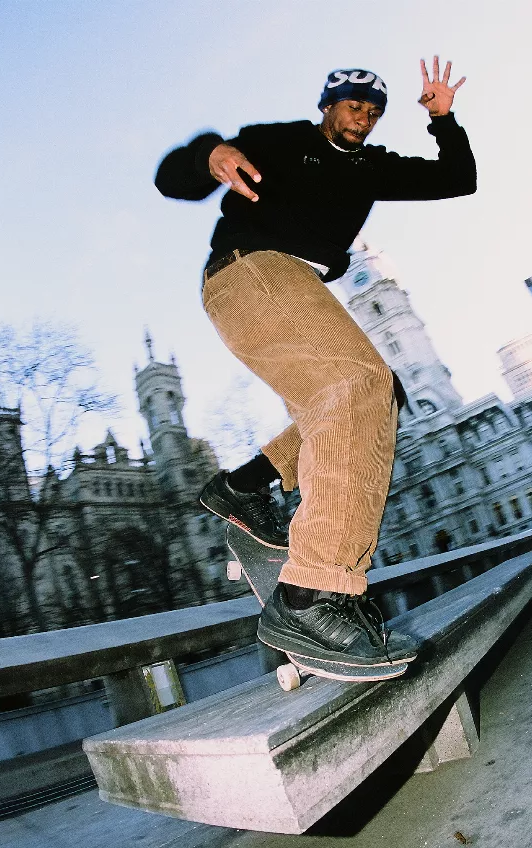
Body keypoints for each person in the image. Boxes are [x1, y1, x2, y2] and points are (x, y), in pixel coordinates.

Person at [155, 56, 476, 670]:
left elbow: (458, 177)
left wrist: (443, 118)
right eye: (354, 104)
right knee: (360, 384)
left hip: (292, 288)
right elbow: (175, 179)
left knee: (372, 397)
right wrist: (209, 155)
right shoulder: (280, 142)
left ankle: (246, 484)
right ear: (329, 103)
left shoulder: (374, 168)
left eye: (374, 112)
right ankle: (310, 595)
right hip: (251, 270)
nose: (364, 118)